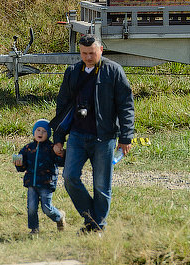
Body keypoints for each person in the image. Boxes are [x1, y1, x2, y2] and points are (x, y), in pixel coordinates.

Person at [51, 35, 135, 233]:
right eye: (84, 53)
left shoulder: (113, 71)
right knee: (70, 177)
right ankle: (92, 219)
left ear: (101, 51)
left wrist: (126, 137)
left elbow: (126, 106)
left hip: (104, 137)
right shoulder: (72, 72)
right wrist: (58, 139)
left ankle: (97, 227)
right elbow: (62, 107)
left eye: (92, 53)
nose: (88, 57)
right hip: (77, 136)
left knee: (101, 185)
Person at [14, 118, 66, 234]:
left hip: (46, 183)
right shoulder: (28, 148)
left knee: (46, 208)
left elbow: (61, 162)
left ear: (48, 134)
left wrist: (62, 154)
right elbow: (22, 167)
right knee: (31, 208)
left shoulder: (51, 148)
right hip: (31, 183)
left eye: (44, 131)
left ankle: (59, 216)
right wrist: (19, 164)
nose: (40, 133)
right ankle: (34, 229)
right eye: (38, 130)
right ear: (34, 132)